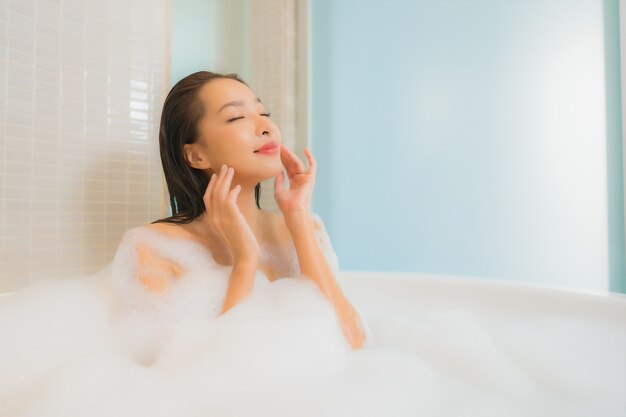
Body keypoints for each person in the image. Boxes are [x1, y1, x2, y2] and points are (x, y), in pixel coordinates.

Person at [122, 71, 367, 350]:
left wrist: (298, 218)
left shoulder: (305, 229)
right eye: (237, 117)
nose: (265, 127)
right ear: (196, 155)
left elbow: (354, 343)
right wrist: (245, 262)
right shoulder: (154, 249)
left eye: (264, 113)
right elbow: (198, 376)